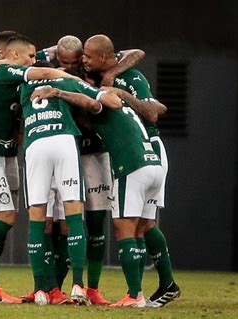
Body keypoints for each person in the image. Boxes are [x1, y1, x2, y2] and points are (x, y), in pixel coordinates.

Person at [0, 34, 79, 303]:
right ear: (11, 56)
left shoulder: (11, 74)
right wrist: (73, 80)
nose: (34, 60)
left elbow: (56, 51)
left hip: (5, 154)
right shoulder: (4, 71)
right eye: (29, 56)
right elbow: (41, 69)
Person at [24, 35, 145, 305]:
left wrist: (110, 75)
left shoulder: (92, 69)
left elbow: (136, 51)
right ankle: (49, 285)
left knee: (94, 224)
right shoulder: (49, 67)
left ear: (85, 58)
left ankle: (90, 288)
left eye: (76, 61)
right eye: (63, 62)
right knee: (55, 224)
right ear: (57, 58)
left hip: (93, 155)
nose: (69, 66)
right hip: (68, 148)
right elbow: (20, 57)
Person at [85, 35, 181, 307]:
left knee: (138, 224)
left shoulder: (133, 78)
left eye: (89, 57)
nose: (85, 62)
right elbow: (134, 51)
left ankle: (138, 292)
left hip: (146, 148)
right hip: (134, 150)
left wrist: (119, 90)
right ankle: (162, 285)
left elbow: (153, 113)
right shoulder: (100, 75)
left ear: (103, 58)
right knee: (143, 225)